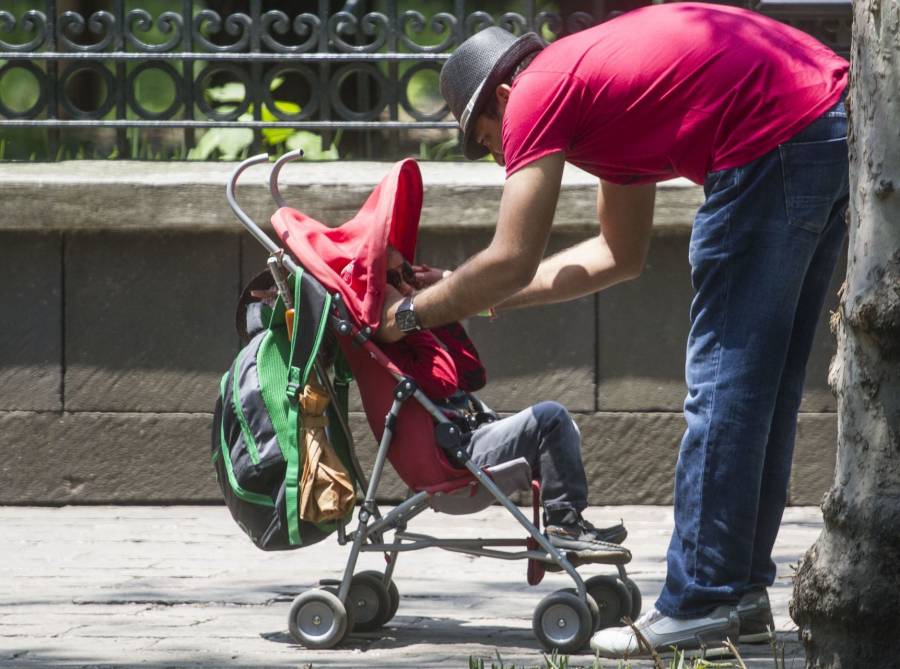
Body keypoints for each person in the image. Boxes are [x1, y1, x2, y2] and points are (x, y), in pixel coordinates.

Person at [375, 3, 849, 657]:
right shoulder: (599, 100)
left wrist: (408, 316)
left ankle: (698, 601)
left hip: (770, 138)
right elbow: (615, 255)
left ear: (504, 96)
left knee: (723, 386)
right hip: (824, 122)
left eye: (486, 139)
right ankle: (737, 593)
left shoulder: (537, 91)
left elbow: (511, 256)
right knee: (759, 389)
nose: (496, 158)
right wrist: (471, 297)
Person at [377, 245, 630, 560]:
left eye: (408, 274)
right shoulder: (393, 341)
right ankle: (564, 527)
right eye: (395, 278)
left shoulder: (410, 327)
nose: (406, 285)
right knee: (550, 419)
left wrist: (434, 302)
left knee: (562, 429)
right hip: (452, 456)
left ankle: (566, 524)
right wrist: (411, 315)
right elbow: (442, 378)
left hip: (464, 439)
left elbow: (472, 374)